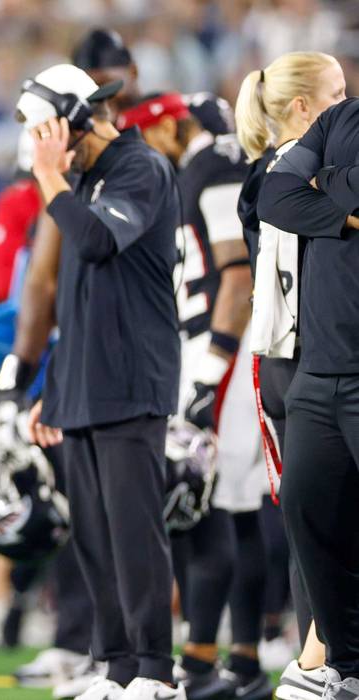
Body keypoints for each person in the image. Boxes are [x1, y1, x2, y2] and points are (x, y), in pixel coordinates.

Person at [19, 64, 182, 700]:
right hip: (84, 382)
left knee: (134, 530)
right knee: (92, 535)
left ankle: (155, 671)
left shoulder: (139, 168)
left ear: (73, 121)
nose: (38, 147)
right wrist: (50, 387)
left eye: (44, 131)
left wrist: (50, 177)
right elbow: (73, 301)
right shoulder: (82, 180)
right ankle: (117, 667)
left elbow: (92, 244)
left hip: (132, 379)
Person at [124, 90, 271, 700]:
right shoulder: (209, 165)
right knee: (228, 512)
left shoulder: (213, 166)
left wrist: (210, 373)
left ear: (172, 127)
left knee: (209, 507)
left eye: (150, 133)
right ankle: (240, 658)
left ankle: (205, 663)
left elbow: (237, 275)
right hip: (221, 347)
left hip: (223, 351)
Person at [235, 50, 346, 700]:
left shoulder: (258, 174)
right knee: (322, 525)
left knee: (309, 522)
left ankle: (320, 657)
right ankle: (317, 655)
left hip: (279, 364)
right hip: (310, 364)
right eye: (336, 94)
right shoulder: (305, 176)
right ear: (301, 107)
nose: (349, 107)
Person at [257, 91, 359, 700]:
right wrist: (345, 209)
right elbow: (275, 196)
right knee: (307, 511)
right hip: (319, 366)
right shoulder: (341, 117)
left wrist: (326, 180)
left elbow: (303, 188)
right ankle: (346, 665)